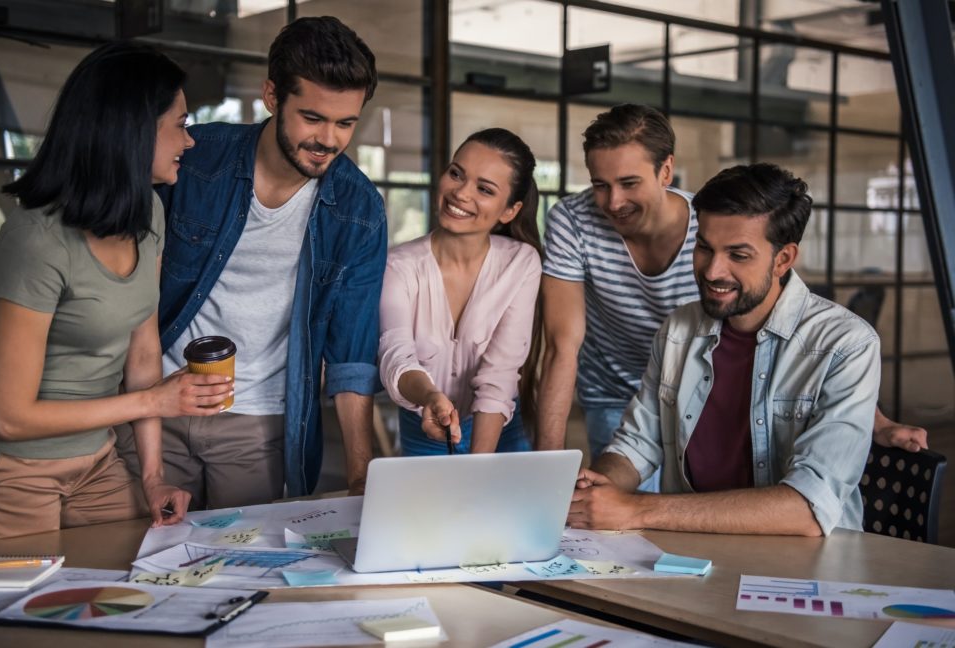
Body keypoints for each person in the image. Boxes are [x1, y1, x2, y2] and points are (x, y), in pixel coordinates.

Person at [0, 42, 229, 543]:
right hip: (6, 473)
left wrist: (152, 475)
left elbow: (143, 351)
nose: (190, 141)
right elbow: (8, 417)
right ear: (133, 132)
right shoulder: (37, 240)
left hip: (96, 464)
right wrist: (154, 403)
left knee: (134, 595)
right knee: (21, 622)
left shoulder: (148, 214)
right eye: (179, 125)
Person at [537, 104, 927, 460]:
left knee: (686, 508)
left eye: (629, 183)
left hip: (696, 385)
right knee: (616, 515)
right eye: (600, 184)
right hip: (613, 391)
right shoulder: (572, 221)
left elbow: (789, 316)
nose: (613, 202)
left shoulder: (714, 224)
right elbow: (561, 344)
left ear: (666, 171)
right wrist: (547, 464)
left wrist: (873, 420)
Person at [116, 17, 386, 506]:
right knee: (141, 559)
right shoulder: (195, 161)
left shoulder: (359, 210)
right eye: (312, 117)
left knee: (240, 569)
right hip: (157, 403)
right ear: (271, 96)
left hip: (257, 422)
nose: (329, 139)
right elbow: (126, 281)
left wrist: (359, 477)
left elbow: (352, 354)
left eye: (345, 123)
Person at [569, 163, 878, 536]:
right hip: (693, 555)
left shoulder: (847, 345)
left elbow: (808, 508)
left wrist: (637, 511)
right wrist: (598, 491)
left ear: (783, 259)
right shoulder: (678, 329)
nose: (713, 271)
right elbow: (638, 443)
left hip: (805, 568)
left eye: (738, 255)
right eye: (705, 248)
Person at [379, 129, 542, 455]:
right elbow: (396, 355)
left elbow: (500, 374)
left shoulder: (521, 263)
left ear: (510, 210)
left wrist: (476, 470)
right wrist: (429, 397)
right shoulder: (398, 266)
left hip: (500, 430)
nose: (461, 193)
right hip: (424, 427)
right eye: (456, 174)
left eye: (484, 189)